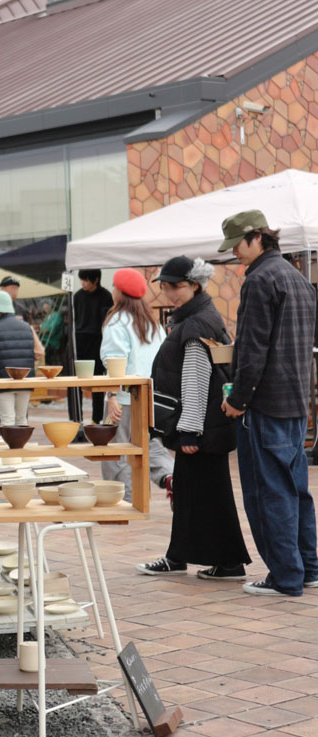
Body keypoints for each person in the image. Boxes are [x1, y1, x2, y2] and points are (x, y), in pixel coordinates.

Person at [220, 210, 318, 596]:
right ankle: (307, 569)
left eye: (236, 246)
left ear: (255, 237)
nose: (234, 254)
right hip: (296, 400)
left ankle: (286, 577)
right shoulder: (297, 276)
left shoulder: (260, 279)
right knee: (296, 489)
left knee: (269, 492)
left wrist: (237, 400)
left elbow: (254, 350)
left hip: (264, 403)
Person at [137, 257, 250, 580]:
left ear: (195, 285)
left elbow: (197, 379)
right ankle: (181, 557)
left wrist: (189, 431)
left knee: (210, 495)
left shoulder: (196, 323)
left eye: (176, 286)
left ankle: (228, 563)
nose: (170, 292)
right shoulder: (198, 318)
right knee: (192, 493)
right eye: (165, 285)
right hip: (208, 425)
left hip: (200, 428)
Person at [98, 268, 173, 502]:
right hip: (150, 395)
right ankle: (172, 476)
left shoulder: (117, 321)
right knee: (147, 442)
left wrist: (111, 394)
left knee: (117, 449)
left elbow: (114, 360)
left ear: (120, 292)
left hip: (124, 396)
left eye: (114, 287)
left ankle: (124, 501)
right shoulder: (152, 323)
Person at [0, 290, 44, 426]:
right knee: (22, 419)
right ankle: (21, 446)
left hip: (3, 381)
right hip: (25, 380)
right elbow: (39, 352)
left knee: (7, 419)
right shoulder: (28, 327)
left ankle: (10, 446)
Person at [73, 268, 114, 424]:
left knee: (97, 383)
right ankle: (76, 418)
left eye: (86, 280)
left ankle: (96, 419)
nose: (83, 283)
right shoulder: (77, 296)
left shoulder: (106, 297)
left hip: (98, 342)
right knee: (77, 382)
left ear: (95, 280)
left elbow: (106, 323)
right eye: (81, 280)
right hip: (80, 341)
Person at [38, 300, 65, 365]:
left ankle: (44, 365)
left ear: (52, 306)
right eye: (44, 308)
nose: (45, 309)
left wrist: (39, 331)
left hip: (51, 341)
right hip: (43, 340)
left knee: (40, 350)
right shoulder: (48, 316)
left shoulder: (57, 315)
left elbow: (51, 329)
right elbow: (42, 326)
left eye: (47, 307)